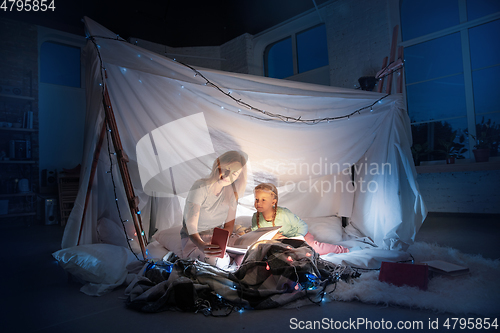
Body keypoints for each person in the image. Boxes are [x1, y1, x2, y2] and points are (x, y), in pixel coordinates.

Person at [180, 151, 247, 267]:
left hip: (216, 239)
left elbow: (229, 226)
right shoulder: (200, 187)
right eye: (226, 169)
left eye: (234, 174)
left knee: (248, 254)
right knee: (216, 261)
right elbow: (190, 225)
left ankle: (232, 265)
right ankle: (230, 267)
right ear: (218, 166)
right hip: (196, 240)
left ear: (238, 177)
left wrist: (222, 242)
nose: (227, 176)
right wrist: (201, 245)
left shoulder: (232, 194)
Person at [251, 183, 349, 255]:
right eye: (257, 199)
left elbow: (302, 225)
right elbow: (256, 233)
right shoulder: (256, 217)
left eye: (263, 200)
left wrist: (297, 238)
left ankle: (340, 250)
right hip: (283, 241)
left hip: (300, 235)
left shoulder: (283, 213)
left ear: (273, 202)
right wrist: (271, 237)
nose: (259, 203)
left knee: (312, 248)